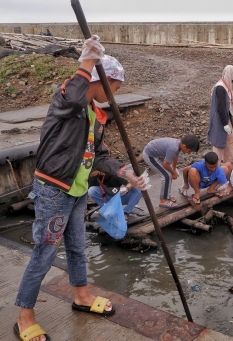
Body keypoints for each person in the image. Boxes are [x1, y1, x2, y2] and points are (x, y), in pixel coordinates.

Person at [14, 36, 145, 341]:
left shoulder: (95, 117)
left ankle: (82, 297)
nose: (115, 96)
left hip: (78, 191)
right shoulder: (67, 102)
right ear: (106, 80)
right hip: (54, 190)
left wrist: (124, 171)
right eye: (116, 88)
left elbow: (97, 155)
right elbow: (75, 95)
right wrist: (87, 61)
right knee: (45, 252)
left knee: (76, 247)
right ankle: (24, 315)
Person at [142, 135, 200, 209]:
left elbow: (175, 156)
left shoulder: (178, 145)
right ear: (184, 146)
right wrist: (173, 173)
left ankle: (167, 196)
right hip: (150, 155)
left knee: (168, 175)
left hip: (157, 153)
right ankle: (163, 201)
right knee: (166, 176)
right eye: (189, 151)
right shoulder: (173, 148)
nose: (189, 153)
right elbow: (165, 164)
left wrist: (174, 168)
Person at [208, 65, 233, 165]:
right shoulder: (221, 88)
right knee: (219, 141)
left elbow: (229, 101)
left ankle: (229, 161)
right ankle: (215, 165)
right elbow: (220, 107)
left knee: (230, 139)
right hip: (220, 118)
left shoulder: (225, 86)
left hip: (225, 117)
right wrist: (225, 124)